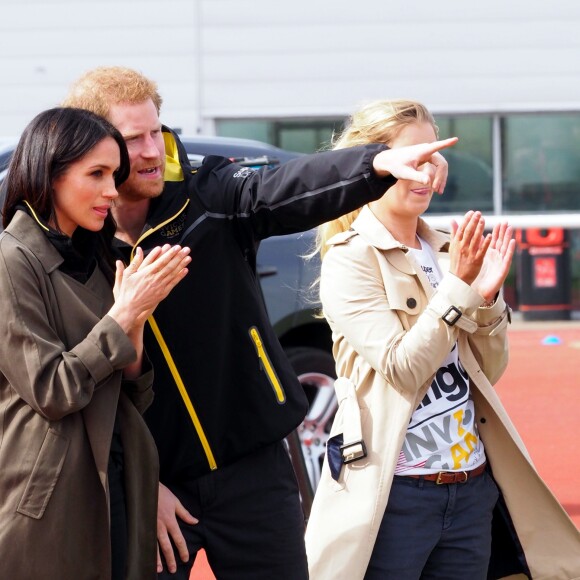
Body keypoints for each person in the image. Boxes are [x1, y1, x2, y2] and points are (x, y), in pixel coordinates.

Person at [61, 66, 458, 580]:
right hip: (150, 484)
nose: (152, 151)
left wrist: (377, 164)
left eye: (154, 131)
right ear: (97, 146)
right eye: (131, 138)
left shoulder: (209, 194)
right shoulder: (75, 244)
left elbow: (283, 187)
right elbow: (82, 386)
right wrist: (139, 480)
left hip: (254, 467)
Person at [304, 99, 580, 579]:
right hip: (395, 493)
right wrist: (459, 289)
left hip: (471, 486)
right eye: (415, 156)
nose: (426, 171)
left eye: (434, 156)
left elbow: (486, 372)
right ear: (377, 164)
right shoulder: (351, 259)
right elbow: (404, 368)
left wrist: (488, 299)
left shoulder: (448, 249)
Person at [0, 107, 191, 580]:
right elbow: (52, 389)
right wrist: (123, 314)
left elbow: (132, 394)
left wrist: (137, 321)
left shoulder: (99, 256)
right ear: (50, 173)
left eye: (115, 174)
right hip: (48, 496)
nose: (112, 190)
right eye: (98, 174)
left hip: (119, 478)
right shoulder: (10, 261)